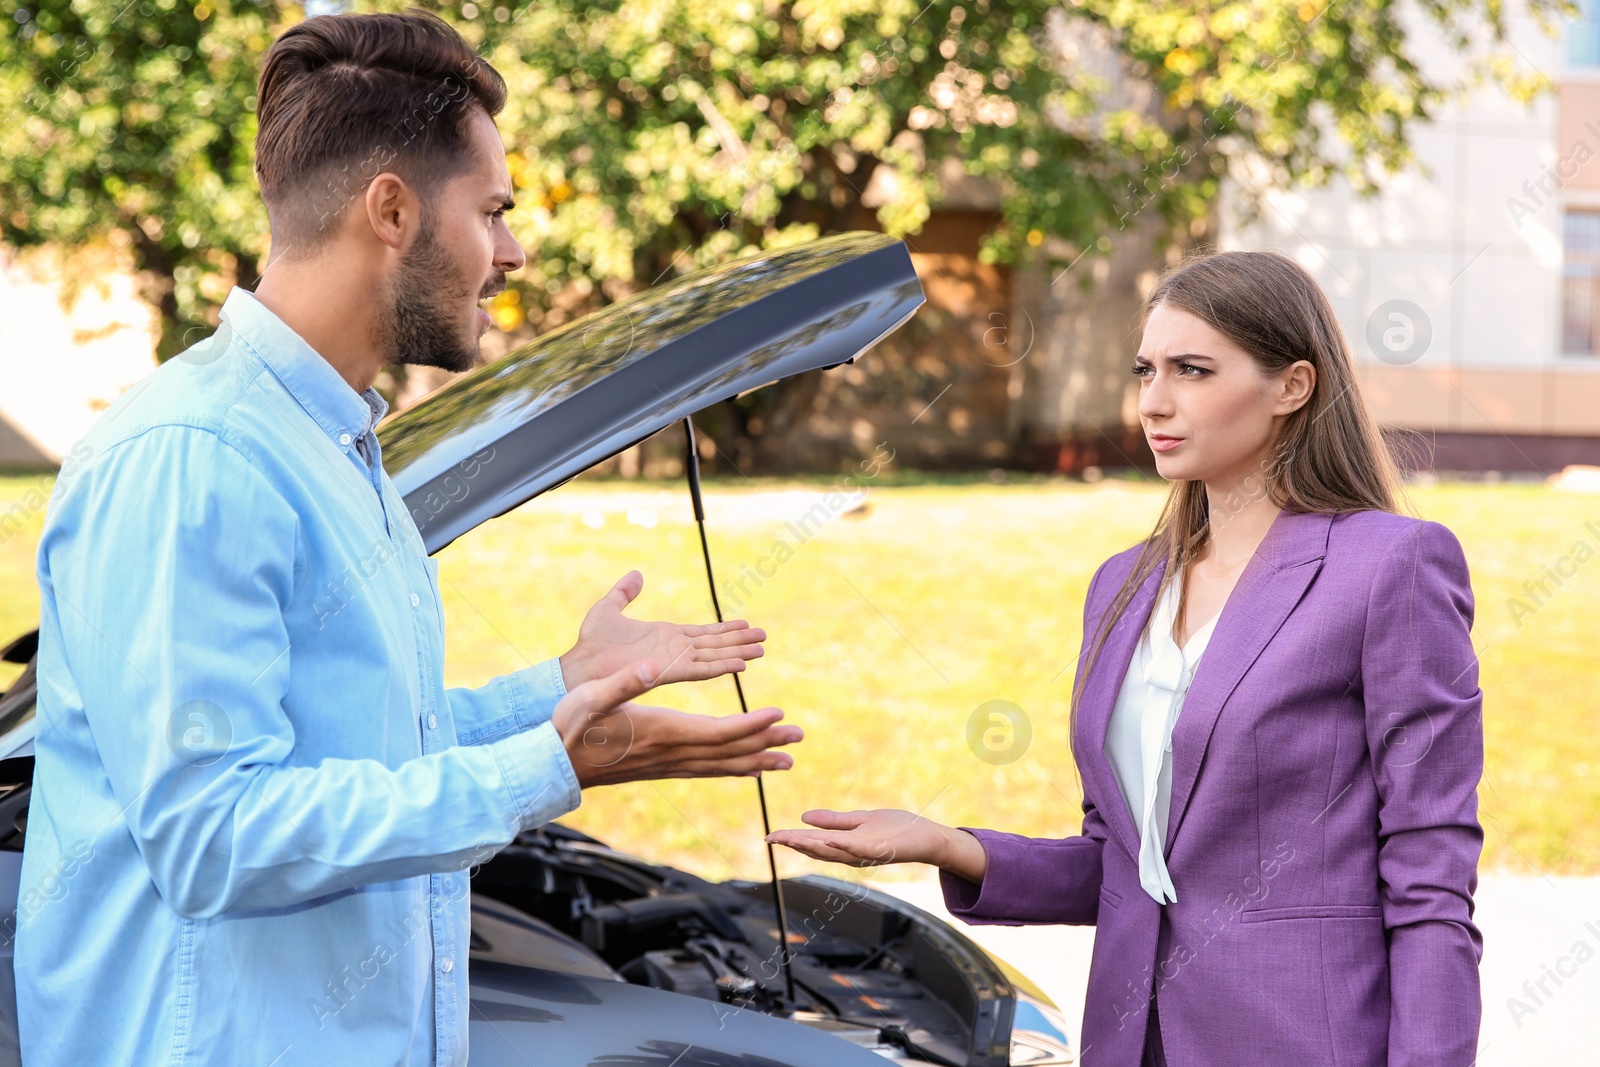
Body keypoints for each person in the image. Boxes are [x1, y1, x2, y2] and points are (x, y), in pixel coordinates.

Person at [15, 11, 802, 1066]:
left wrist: (554, 692)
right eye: (492, 211)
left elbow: (359, 754)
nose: (513, 250)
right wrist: (537, 766)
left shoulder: (336, 445)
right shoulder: (193, 458)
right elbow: (215, 833)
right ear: (391, 210)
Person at [769, 249, 1484, 1067]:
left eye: (1192, 369)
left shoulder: (1390, 566)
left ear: (1294, 385)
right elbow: (1129, 864)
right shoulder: (1123, 584)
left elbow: (1432, 881)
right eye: (1145, 369)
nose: (1154, 401)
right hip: (1130, 1041)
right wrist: (945, 843)